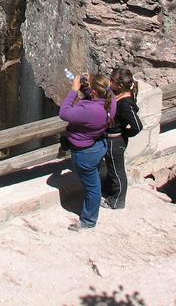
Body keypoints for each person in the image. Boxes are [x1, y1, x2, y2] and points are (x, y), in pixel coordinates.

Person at [59, 73, 111, 230]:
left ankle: (88, 221)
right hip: (99, 145)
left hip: (85, 152)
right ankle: (93, 208)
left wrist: (74, 90)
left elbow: (64, 113)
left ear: (94, 92)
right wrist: (88, 87)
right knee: (93, 181)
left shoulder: (88, 110)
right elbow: (96, 100)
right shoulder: (110, 102)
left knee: (92, 187)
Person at [102, 68, 143, 209]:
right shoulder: (119, 93)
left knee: (117, 171)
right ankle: (109, 191)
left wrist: (124, 134)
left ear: (119, 85)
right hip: (114, 138)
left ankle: (117, 200)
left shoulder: (125, 103)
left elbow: (137, 126)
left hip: (115, 140)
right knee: (111, 168)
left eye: (111, 80)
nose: (109, 81)